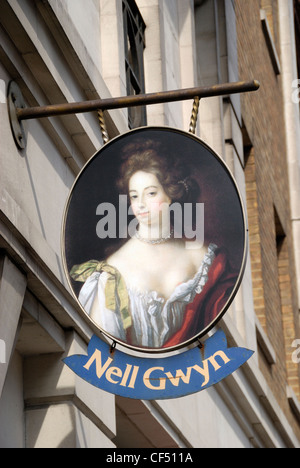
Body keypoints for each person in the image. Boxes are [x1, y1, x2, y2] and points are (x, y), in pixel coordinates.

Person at [70, 139, 237, 350]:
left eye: (150, 193)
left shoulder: (204, 259)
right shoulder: (113, 271)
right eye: (134, 196)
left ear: (170, 193)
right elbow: (104, 346)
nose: (140, 204)